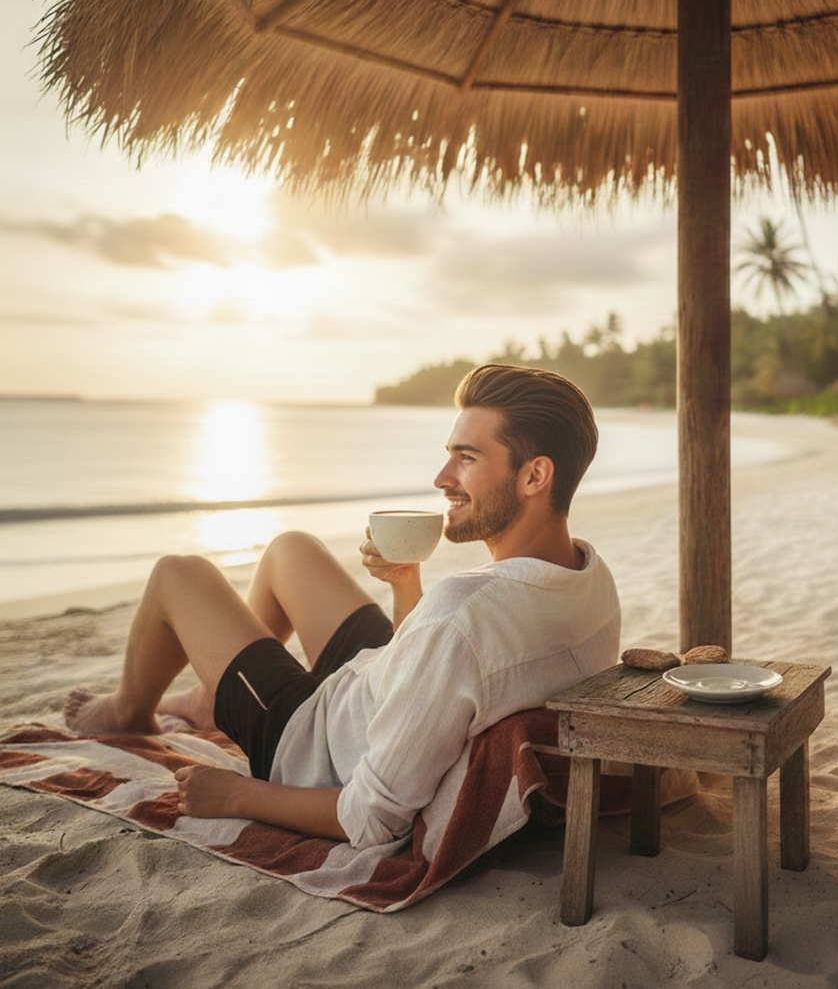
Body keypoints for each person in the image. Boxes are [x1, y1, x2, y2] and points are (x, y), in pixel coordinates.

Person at [65, 364, 621, 850]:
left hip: (311, 742)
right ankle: (215, 697)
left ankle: (130, 711)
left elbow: (372, 815)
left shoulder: (461, 615)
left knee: (177, 574)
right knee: (290, 550)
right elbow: (440, 670)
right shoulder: (588, 575)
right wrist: (405, 586)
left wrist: (237, 794)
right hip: (375, 684)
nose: (442, 479)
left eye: (466, 458)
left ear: (534, 475)